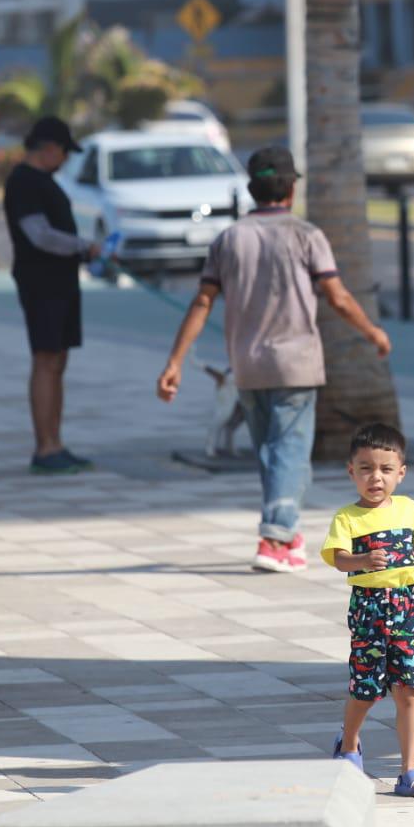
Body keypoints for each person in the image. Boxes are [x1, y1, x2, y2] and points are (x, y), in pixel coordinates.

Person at [157, 147, 391, 572]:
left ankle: (289, 535)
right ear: (291, 187)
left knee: (271, 453)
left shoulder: (228, 239)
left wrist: (175, 361)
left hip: (246, 366)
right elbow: (336, 296)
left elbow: (202, 302)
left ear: (252, 188)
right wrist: (372, 331)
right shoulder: (307, 236)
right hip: (296, 365)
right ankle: (274, 537)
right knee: (289, 451)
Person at [322, 423, 414, 797]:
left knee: (408, 689)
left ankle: (410, 769)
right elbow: (338, 560)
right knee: (366, 689)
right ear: (351, 471)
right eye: (366, 468)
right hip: (369, 610)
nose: (376, 477)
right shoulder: (347, 518)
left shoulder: (407, 509)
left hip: (406, 609)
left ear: (401, 473)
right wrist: (362, 559)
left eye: (386, 469)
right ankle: (349, 743)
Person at [3, 115, 99, 474]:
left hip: (60, 282)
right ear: (49, 148)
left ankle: (55, 442)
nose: (65, 160)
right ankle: (45, 447)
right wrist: (83, 246)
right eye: (64, 151)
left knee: (57, 360)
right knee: (45, 360)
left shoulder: (42, 181)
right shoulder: (24, 182)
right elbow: (39, 235)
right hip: (41, 282)